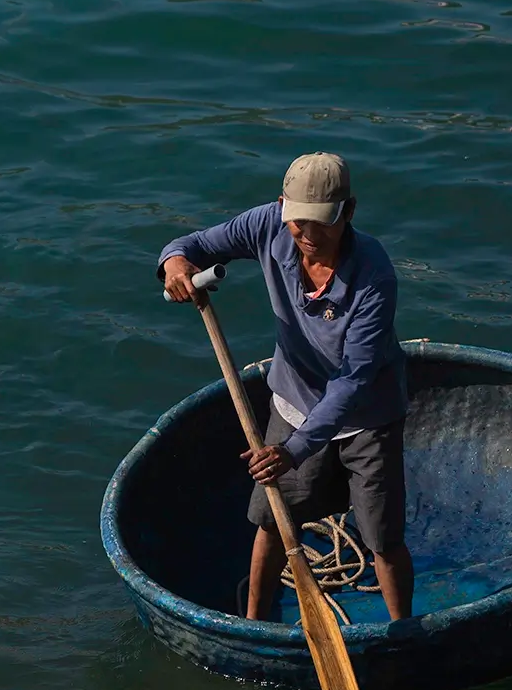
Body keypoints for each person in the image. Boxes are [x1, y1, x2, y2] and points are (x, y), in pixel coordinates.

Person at [159, 152, 413, 621]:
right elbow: (190, 244)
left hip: (366, 417)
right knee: (273, 523)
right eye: (298, 224)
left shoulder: (374, 275)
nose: (309, 237)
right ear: (281, 208)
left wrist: (294, 450)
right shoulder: (267, 225)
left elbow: (352, 380)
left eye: (322, 224)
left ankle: (402, 636)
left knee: (383, 539)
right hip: (294, 403)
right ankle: (254, 622)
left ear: (348, 213)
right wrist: (176, 265)